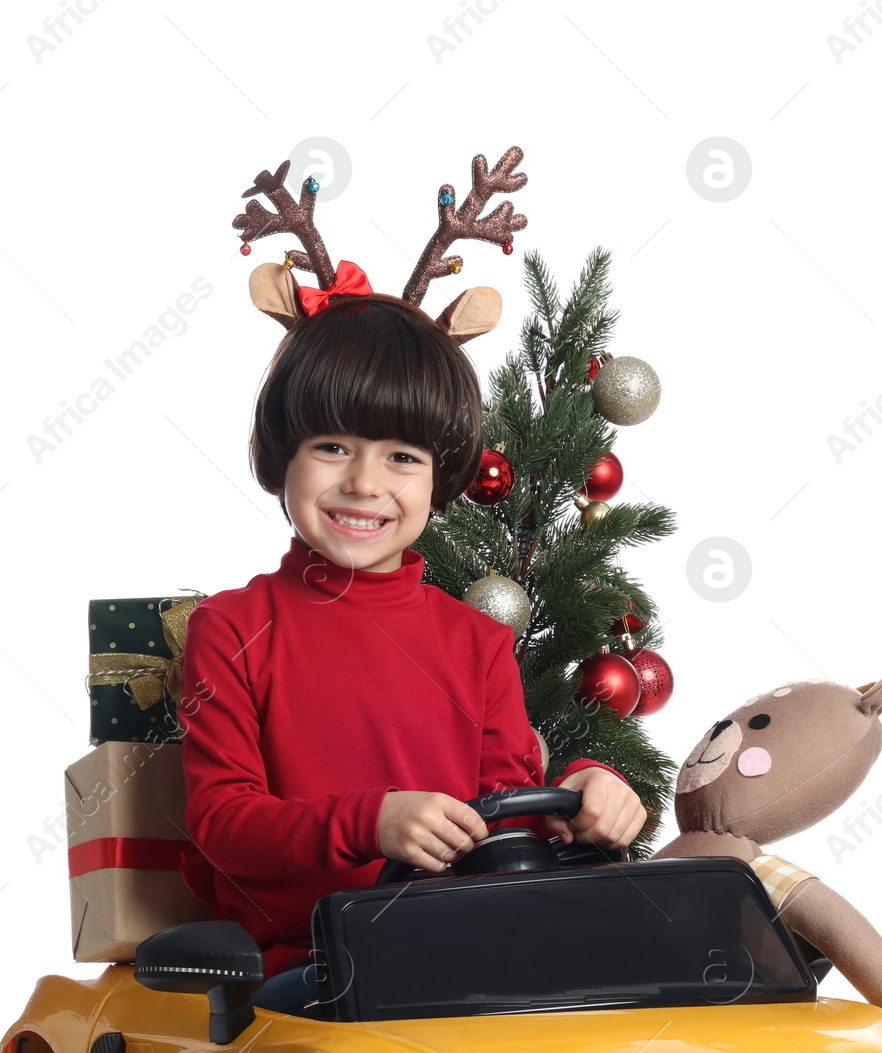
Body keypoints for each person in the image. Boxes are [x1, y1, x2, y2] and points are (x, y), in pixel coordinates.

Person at [179, 293, 646, 1013]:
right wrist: (370, 823)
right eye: (332, 446)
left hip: (470, 956)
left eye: (402, 456)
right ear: (283, 456)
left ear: (441, 478)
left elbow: (511, 813)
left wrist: (585, 787)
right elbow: (223, 823)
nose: (365, 482)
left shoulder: (478, 643)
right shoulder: (234, 627)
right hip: (318, 967)